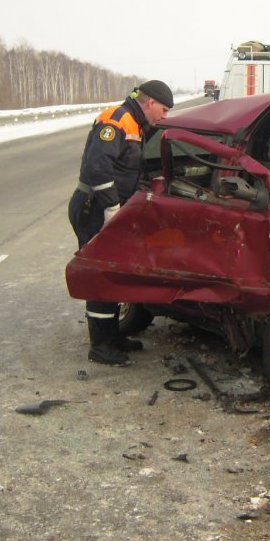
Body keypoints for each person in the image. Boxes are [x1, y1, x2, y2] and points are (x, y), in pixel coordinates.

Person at [68, 79, 174, 366]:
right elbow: (97, 166)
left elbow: (132, 169)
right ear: (150, 102)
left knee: (113, 271)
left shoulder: (137, 126)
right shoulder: (117, 120)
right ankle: (100, 346)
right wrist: (112, 207)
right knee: (100, 274)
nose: (163, 116)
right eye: (163, 110)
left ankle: (112, 336)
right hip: (94, 209)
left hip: (106, 209)